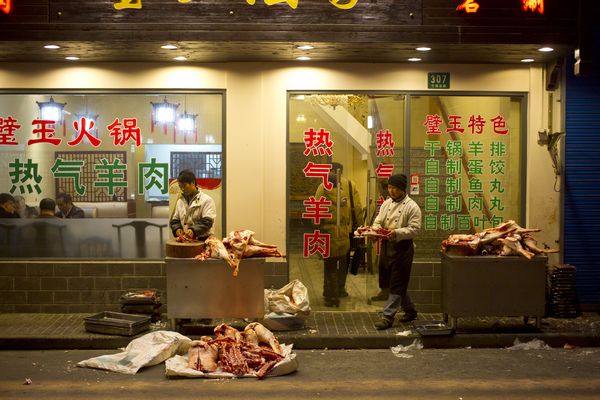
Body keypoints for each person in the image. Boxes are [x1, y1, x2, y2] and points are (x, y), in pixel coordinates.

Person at [369, 174, 422, 330]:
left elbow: (415, 230)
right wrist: (375, 231)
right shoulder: (386, 204)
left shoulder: (412, 206)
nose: (391, 191)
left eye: (395, 188)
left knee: (398, 282)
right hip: (387, 247)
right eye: (390, 188)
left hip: (403, 249)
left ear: (402, 189)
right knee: (393, 282)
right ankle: (411, 311)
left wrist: (397, 233)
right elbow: (378, 221)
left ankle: (387, 316)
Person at [314, 162, 363, 308]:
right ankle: (340, 289)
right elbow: (358, 207)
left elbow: (316, 210)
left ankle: (329, 292)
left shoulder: (322, 187)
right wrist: (359, 226)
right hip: (345, 231)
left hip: (327, 231)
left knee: (329, 262)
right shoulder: (350, 185)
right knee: (343, 262)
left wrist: (317, 226)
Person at [170, 169, 217, 241]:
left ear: (193, 182)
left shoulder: (207, 200)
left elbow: (207, 222)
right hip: (186, 241)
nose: (182, 189)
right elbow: (175, 220)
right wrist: (177, 228)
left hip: (203, 241)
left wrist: (193, 230)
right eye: (180, 187)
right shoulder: (180, 201)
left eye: (184, 186)